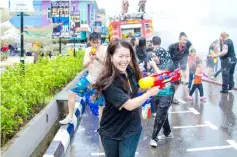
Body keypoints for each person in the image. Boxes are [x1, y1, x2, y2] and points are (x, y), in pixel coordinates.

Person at [92, 39, 160, 157]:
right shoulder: (109, 81)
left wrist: (152, 85)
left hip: (131, 129)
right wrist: (149, 94)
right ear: (111, 57)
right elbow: (129, 105)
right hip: (111, 131)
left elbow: (136, 89)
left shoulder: (130, 71)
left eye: (127, 56)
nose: (124, 60)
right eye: (120, 56)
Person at [59, 32, 107, 124]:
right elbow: (84, 66)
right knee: (71, 92)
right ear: (90, 42)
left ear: (100, 41)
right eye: (94, 42)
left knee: (101, 104)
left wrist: (97, 58)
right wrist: (90, 59)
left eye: (98, 42)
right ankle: (70, 116)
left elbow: (108, 64)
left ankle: (102, 125)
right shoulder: (88, 50)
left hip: (101, 80)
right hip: (89, 78)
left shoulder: (105, 49)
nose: (96, 45)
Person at [148, 36, 175, 147]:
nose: (154, 58)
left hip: (167, 93)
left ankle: (153, 138)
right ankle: (167, 132)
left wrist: (154, 67)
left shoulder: (169, 64)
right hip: (158, 93)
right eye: (153, 56)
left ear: (161, 55)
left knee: (160, 115)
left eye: (156, 56)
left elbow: (163, 78)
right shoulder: (156, 63)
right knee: (162, 114)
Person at [167, 33, 189, 104]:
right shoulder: (172, 46)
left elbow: (184, 61)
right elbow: (166, 58)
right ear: (179, 39)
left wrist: (184, 72)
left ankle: (172, 96)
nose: (185, 42)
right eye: (183, 40)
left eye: (186, 40)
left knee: (177, 82)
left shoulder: (185, 49)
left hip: (177, 68)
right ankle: (167, 97)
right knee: (169, 83)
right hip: (169, 67)